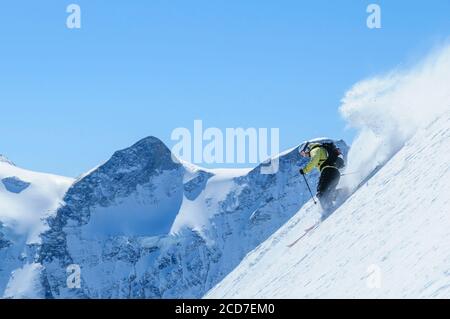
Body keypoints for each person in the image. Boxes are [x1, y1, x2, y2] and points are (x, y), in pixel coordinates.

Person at [299, 141, 344, 210]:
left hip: (328, 171)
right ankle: (344, 192)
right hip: (335, 172)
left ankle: (328, 210)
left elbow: (314, 160)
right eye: (302, 155)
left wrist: (304, 170)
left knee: (321, 193)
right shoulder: (321, 149)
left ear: (307, 148)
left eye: (303, 153)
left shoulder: (315, 150)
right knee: (329, 193)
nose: (304, 155)